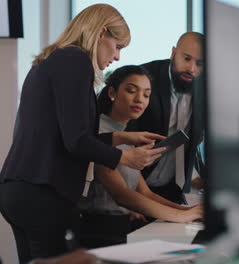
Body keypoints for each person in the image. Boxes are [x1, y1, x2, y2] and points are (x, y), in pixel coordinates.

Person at [0, 4, 164, 263]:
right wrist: (124, 158)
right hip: (44, 193)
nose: (118, 57)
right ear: (101, 33)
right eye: (118, 46)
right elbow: (77, 142)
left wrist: (121, 138)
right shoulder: (75, 60)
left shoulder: (54, 59)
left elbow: (67, 138)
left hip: (22, 190)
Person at [79, 65, 203, 249]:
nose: (140, 99)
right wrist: (181, 216)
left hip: (121, 230)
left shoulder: (127, 137)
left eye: (146, 95)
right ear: (112, 92)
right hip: (97, 233)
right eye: (131, 90)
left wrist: (188, 211)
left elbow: (145, 193)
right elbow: (122, 195)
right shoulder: (100, 133)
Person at [130, 32, 205, 204]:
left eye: (199, 63)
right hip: (135, 187)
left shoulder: (206, 89)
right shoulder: (144, 78)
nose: (191, 68)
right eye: (186, 59)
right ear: (173, 53)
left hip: (174, 190)